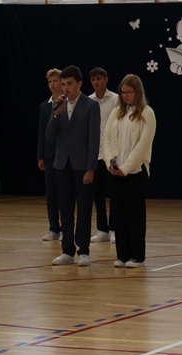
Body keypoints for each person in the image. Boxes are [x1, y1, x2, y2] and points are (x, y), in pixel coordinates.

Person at [45, 65, 101, 266]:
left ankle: (83, 250)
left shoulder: (91, 105)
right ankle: (67, 251)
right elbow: (49, 135)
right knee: (65, 209)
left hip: (82, 165)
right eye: (63, 84)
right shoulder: (58, 105)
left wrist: (90, 168)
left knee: (84, 209)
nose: (65, 88)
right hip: (62, 164)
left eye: (69, 84)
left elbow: (94, 139)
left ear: (79, 84)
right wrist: (56, 115)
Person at [101, 74, 155, 268]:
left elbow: (142, 146)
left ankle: (137, 256)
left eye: (129, 92)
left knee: (134, 215)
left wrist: (126, 168)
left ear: (137, 92)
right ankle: (122, 255)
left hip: (136, 172)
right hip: (116, 172)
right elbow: (107, 139)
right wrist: (111, 163)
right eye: (122, 92)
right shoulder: (116, 112)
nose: (125, 96)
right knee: (118, 213)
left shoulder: (147, 113)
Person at [88, 68, 119, 244]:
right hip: (95, 153)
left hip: (113, 154)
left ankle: (114, 228)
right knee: (97, 193)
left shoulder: (115, 99)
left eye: (99, 79)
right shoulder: (89, 101)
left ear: (106, 79)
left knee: (114, 192)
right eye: (93, 79)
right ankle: (102, 229)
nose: (96, 82)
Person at [37, 68, 63, 242]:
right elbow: (41, 132)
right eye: (50, 82)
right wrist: (40, 155)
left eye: (55, 81)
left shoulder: (68, 103)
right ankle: (54, 228)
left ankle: (66, 228)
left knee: (64, 193)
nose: (52, 84)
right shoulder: (44, 106)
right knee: (51, 193)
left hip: (65, 153)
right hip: (49, 154)